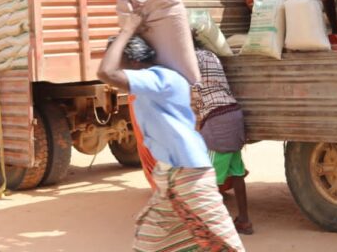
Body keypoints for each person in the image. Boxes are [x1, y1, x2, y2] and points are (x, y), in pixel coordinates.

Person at [97, 13, 245, 252]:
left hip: (190, 175)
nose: (116, 67)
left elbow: (106, 73)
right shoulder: (157, 80)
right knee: (154, 244)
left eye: (119, 59)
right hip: (171, 176)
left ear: (133, 62)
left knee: (223, 244)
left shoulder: (160, 78)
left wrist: (127, 31)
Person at [191, 43, 253, 235]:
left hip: (217, 121)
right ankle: (244, 221)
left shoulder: (190, 60)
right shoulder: (211, 55)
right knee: (237, 173)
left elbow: (194, 95)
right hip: (234, 113)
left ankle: (212, 228)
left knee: (206, 180)